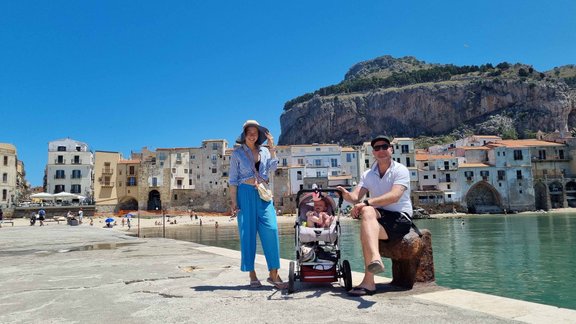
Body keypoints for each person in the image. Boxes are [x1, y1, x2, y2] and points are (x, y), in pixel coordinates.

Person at [337, 135, 414, 297]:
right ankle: (375, 261)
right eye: (377, 148)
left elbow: (394, 196)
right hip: (379, 218)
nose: (381, 150)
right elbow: (356, 197)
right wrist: (346, 195)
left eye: (384, 147)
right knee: (367, 212)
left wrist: (367, 203)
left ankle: (369, 280)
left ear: (390, 149)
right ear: (373, 153)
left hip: (400, 218)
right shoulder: (368, 174)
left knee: (367, 213)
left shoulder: (400, 170)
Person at [228, 119, 286, 289]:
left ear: (259, 134)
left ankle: (273, 274)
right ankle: (252, 274)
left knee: (272, 229)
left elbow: (273, 168)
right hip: (244, 194)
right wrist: (233, 201)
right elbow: (232, 180)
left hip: (263, 194)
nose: (252, 135)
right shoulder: (237, 154)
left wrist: (272, 146)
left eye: (255, 132)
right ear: (244, 134)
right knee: (248, 233)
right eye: (249, 132)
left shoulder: (266, 152)